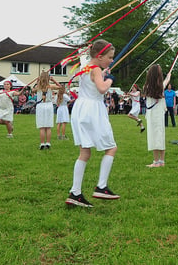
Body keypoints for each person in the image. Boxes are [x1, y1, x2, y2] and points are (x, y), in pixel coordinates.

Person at [66, 39, 120, 207]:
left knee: (85, 152)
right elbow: (102, 89)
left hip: (80, 108)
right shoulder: (96, 69)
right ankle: (101, 186)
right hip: (93, 110)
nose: (111, 60)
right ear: (100, 56)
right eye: (110, 57)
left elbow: (92, 83)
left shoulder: (86, 67)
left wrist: (103, 75)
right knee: (111, 148)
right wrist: (109, 79)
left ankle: (75, 193)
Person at [143, 65, 171, 167]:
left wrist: (167, 78)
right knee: (160, 135)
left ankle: (156, 161)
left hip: (152, 114)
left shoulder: (146, 87)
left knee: (153, 136)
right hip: (159, 114)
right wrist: (168, 77)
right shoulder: (161, 87)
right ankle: (161, 161)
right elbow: (166, 81)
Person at [33, 71, 61, 150]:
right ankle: (48, 143)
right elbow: (60, 87)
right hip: (49, 105)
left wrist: (37, 81)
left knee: (42, 127)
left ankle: (42, 143)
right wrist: (54, 80)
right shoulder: (50, 86)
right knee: (48, 127)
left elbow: (32, 90)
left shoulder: (38, 87)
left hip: (40, 106)